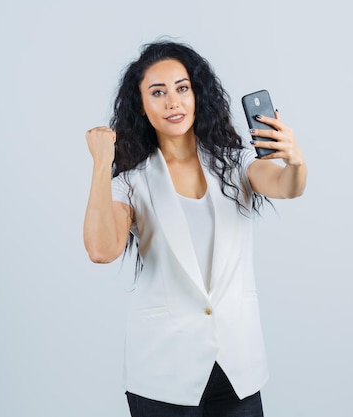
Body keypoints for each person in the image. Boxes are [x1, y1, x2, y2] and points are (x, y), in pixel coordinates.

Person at [83, 40, 307, 417]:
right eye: (158, 92)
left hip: (238, 367)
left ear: (196, 95)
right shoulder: (130, 183)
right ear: (141, 105)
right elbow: (102, 250)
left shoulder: (235, 163)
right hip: (163, 372)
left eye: (182, 88)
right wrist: (102, 163)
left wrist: (295, 160)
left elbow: (287, 187)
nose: (173, 102)